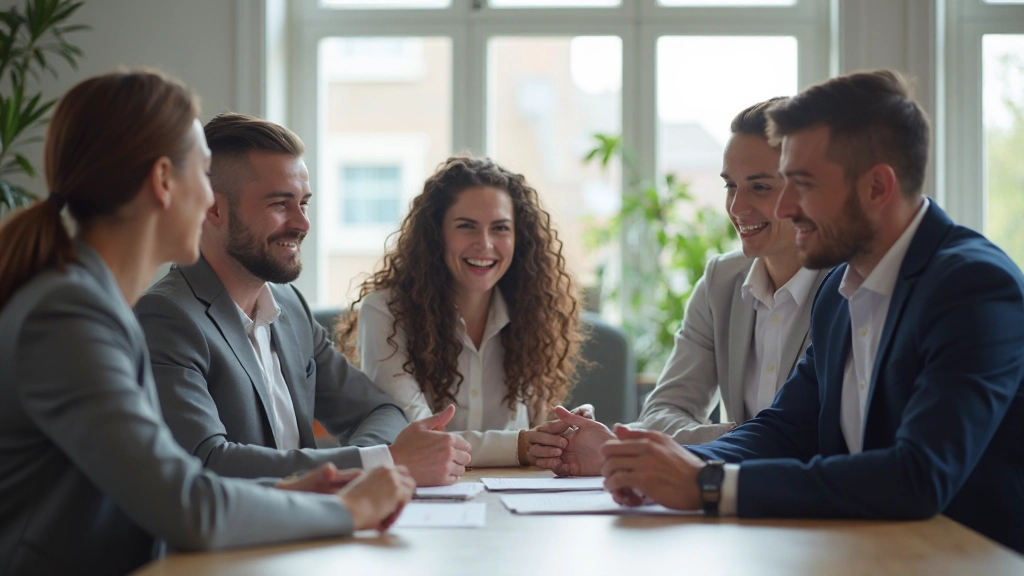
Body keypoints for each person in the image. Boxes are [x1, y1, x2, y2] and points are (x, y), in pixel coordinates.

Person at [0, 70, 415, 576]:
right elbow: (186, 502)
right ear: (163, 182)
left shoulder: (93, 302)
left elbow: (166, 484)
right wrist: (348, 509)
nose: (209, 201)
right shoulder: (69, 315)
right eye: (203, 174)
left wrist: (286, 490)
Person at [591, 70, 1024, 553]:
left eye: (802, 184)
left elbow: (917, 475)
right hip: (858, 550)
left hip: (960, 559)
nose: (787, 207)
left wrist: (708, 484)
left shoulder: (973, 286)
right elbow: (784, 430)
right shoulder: (839, 289)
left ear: (878, 187)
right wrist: (666, 465)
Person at [136, 113, 471, 487]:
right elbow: (207, 463)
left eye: (304, 204)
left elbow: (380, 410)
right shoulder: (167, 317)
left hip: (319, 527)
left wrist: (362, 476)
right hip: (242, 541)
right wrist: (381, 462)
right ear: (214, 209)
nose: (302, 223)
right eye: (280, 204)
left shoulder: (290, 307)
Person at [531, 98, 830, 476]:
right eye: (730, 186)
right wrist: (735, 438)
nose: (737, 206)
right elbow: (660, 413)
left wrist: (740, 439)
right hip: (729, 499)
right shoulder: (722, 282)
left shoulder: (846, 288)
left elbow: (822, 436)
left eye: (759, 187)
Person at [337, 155, 587, 467]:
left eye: (500, 228)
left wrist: (567, 428)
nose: (485, 243)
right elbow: (416, 437)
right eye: (466, 227)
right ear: (436, 234)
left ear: (518, 239)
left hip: (518, 492)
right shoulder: (385, 312)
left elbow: (539, 427)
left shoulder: (533, 313)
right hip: (429, 495)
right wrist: (523, 444)